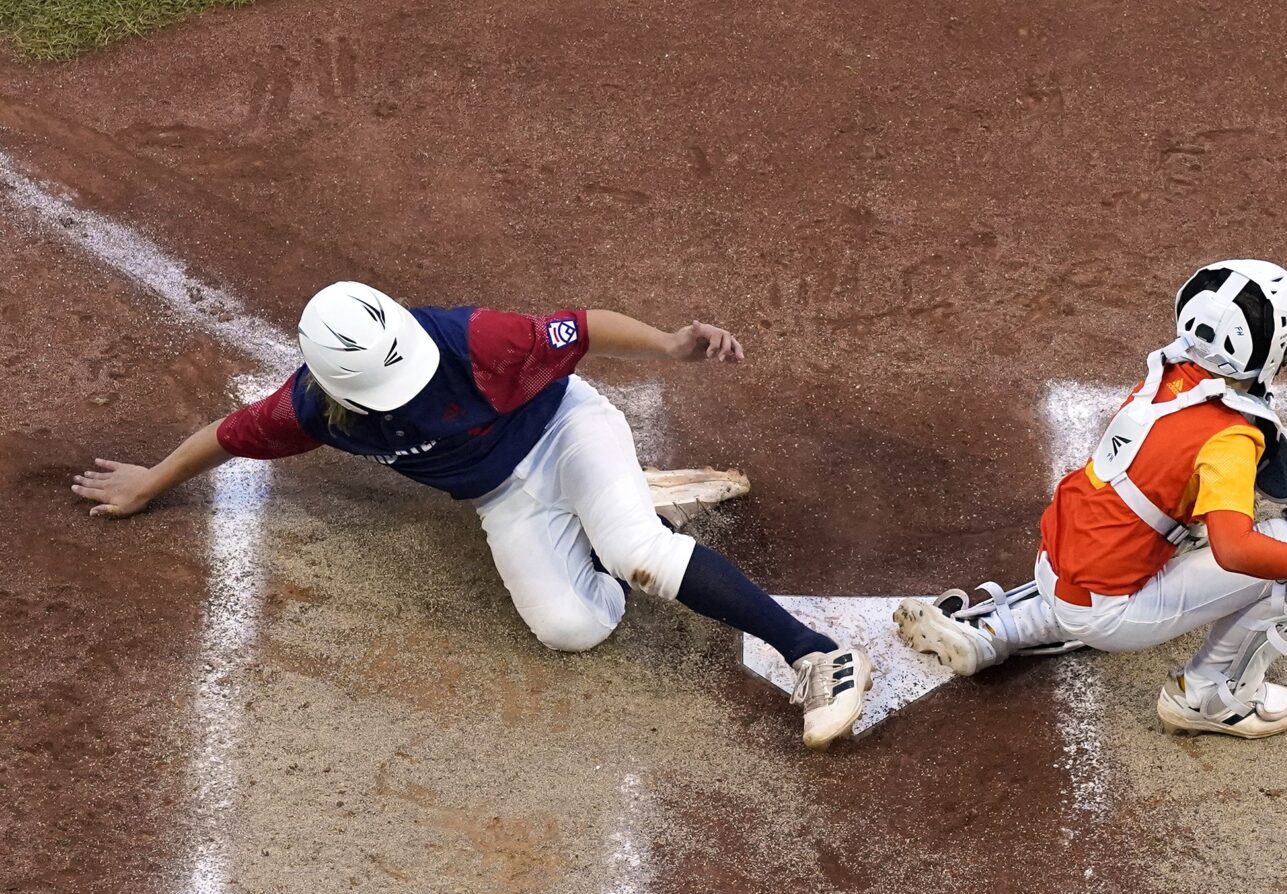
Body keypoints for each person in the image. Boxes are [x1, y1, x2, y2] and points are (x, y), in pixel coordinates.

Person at [72, 283, 872, 749]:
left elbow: (581, 326)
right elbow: (227, 434)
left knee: (638, 549)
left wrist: (667, 345)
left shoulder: (473, 340)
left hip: (568, 429)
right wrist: (149, 483)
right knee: (571, 628)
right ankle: (602, 530)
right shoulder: (311, 412)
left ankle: (816, 655)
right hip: (504, 495)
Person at [893, 260, 1287, 738]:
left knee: (1172, 519)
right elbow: (1235, 551)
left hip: (1055, 565)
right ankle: (1213, 698)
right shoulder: (1229, 438)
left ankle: (999, 629)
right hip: (1109, 612)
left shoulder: (1168, 375)